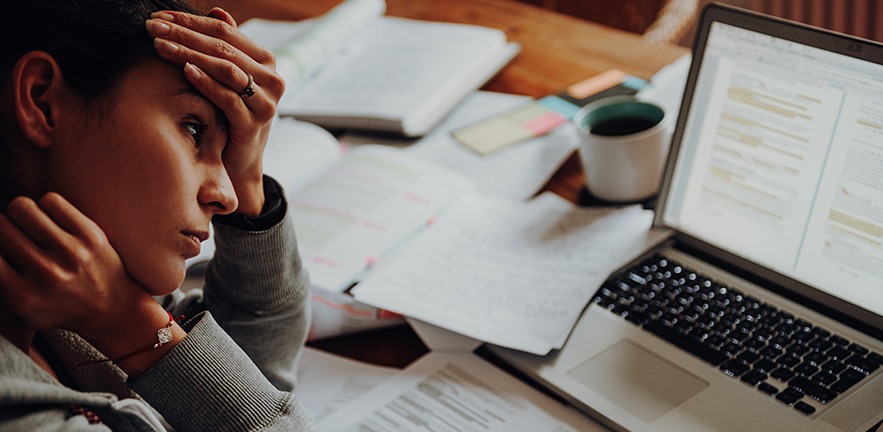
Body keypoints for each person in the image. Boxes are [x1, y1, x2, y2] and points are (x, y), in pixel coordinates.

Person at [0, 0, 314, 430]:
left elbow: (251, 370)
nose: (228, 198)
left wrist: (249, 179)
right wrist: (132, 326)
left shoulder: (70, 282)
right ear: (42, 101)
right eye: (193, 128)